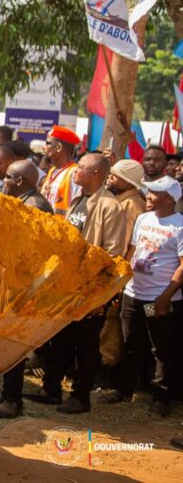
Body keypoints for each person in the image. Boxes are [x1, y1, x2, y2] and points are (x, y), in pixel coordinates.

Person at [27, 153, 127, 414]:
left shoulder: (110, 207)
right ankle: (51, 388)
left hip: (90, 289)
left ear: (96, 174)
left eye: (81, 168)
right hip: (67, 285)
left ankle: (81, 395)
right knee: (60, 338)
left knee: (86, 344)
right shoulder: (78, 200)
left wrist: (101, 293)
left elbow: (113, 254)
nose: (75, 171)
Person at [100, 176, 183, 417]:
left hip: (158, 300)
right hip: (133, 294)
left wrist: (166, 296)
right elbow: (132, 252)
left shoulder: (179, 225)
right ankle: (125, 390)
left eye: (154, 192)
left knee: (161, 348)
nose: (148, 195)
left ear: (169, 199)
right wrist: (120, 285)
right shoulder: (143, 218)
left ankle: (161, 397)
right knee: (132, 342)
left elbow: (181, 265)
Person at [0, 159, 54, 418]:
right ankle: (7, 392)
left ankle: (13, 401)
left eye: (8, 177)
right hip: (14, 281)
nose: (4, 181)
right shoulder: (25, 201)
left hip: (25, 285)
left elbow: (32, 250)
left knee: (15, 341)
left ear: (20, 181)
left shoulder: (35, 206)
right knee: (8, 342)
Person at [99, 158, 147, 382]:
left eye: (115, 175)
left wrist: (116, 279)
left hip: (119, 272)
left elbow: (124, 243)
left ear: (128, 181)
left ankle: (108, 371)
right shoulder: (119, 199)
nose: (110, 178)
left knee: (112, 322)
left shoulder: (131, 205)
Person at [39, 125, 82, 216]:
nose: (44, 147)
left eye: (48, 143)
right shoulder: (52, 171)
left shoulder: (74, 172)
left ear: (58, 147)